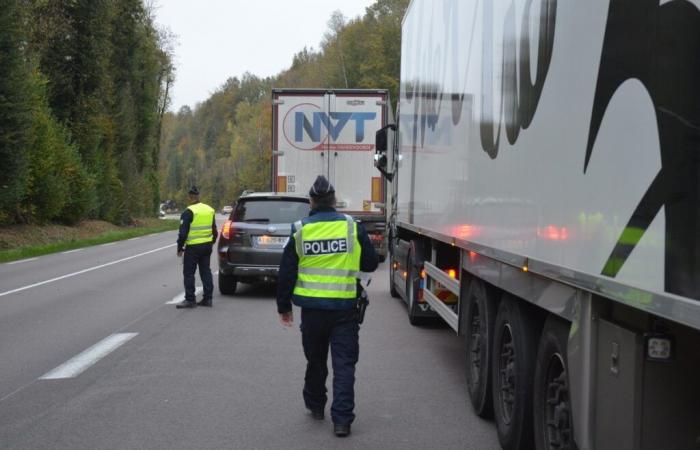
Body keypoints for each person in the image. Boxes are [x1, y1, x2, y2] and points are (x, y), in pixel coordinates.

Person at [277, 175, 379, 437]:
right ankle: (342, 421)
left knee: (315, 361)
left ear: (311, 201)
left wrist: (283, 306)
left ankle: (315, 405)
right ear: (334, 201)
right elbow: (370, 264)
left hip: (311, 312)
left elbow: (286, 271)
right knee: (344, 365)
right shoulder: (351, 227)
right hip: (344, 310)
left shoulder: (300, 229)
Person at [176, 186, 217, 308]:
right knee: (205, 271)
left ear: (190, 197)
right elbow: (214, 230)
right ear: (198, 196)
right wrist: (211, 241)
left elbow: (183, 233)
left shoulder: (188, 212)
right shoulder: (209, 209)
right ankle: (208, 299)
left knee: (189, 273)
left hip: (193, 247)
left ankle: (190, 300)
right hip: (207, 245)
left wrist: (180, 247)